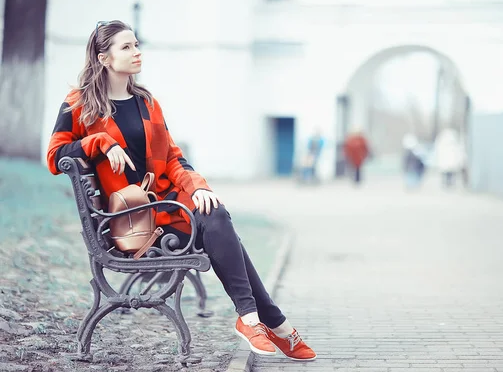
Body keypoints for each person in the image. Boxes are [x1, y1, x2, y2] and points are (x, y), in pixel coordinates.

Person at [46, 20, 316, 361]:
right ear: (104, 58)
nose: (136, 51)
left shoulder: (146, 102)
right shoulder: (79, 104)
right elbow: (55, 156)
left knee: (214, 212)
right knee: (221, 231)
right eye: (126, 47)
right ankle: (274, 322)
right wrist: (99, 142)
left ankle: (251, 319)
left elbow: (173, 158)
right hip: (130, 224)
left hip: (164, 209)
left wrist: (198, 187)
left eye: (136, 44)